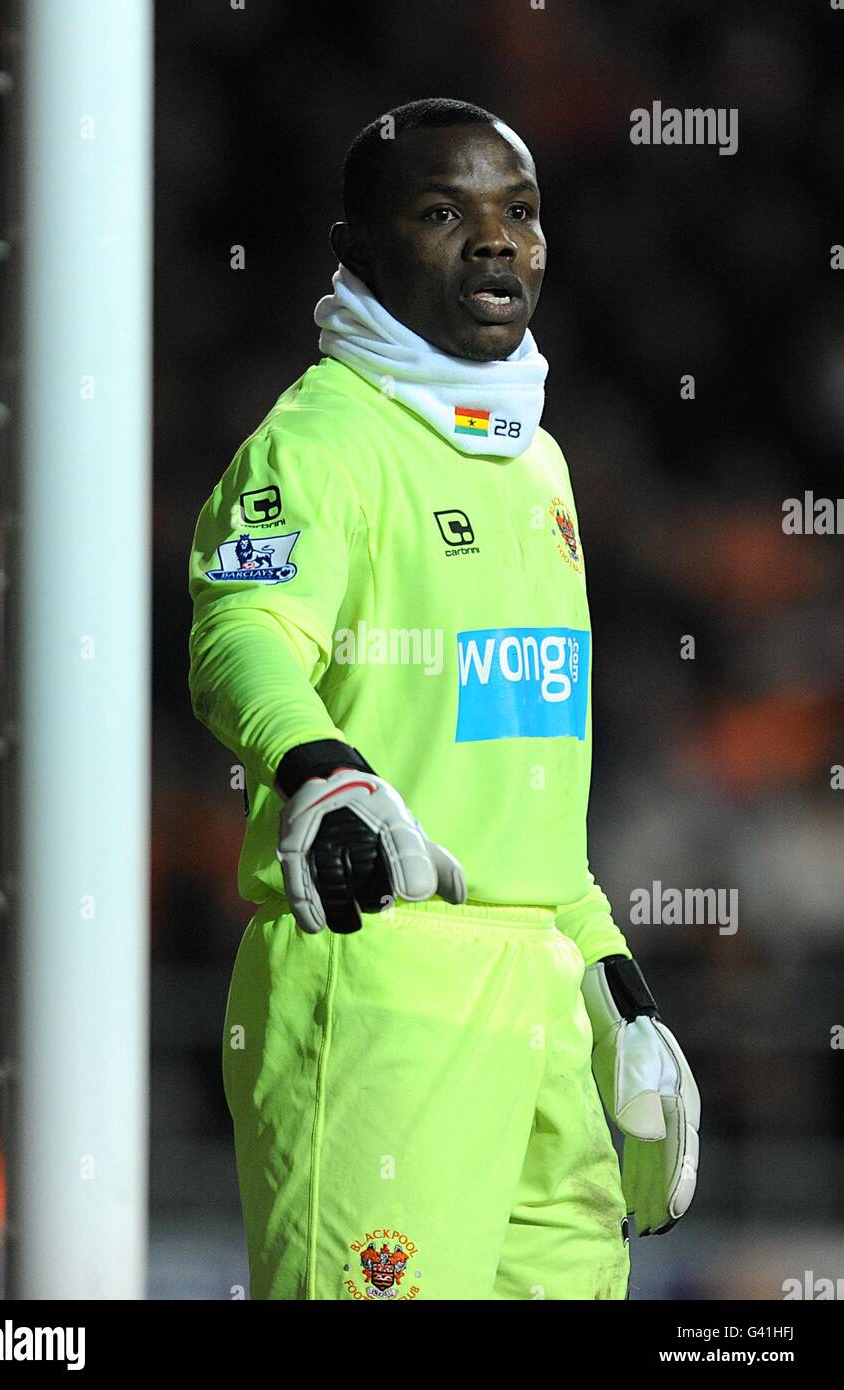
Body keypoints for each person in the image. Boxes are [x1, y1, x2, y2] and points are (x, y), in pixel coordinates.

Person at [188, 97, 700, 1302]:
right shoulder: (321, 441)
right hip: (378, 974)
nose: (493, 242)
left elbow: (523, 782)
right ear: (354, 248)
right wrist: (318, 764)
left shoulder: (539, 458)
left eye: (517, 212)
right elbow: (241, 631)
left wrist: (611, 980)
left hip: (539, 992)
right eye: (442, 212)